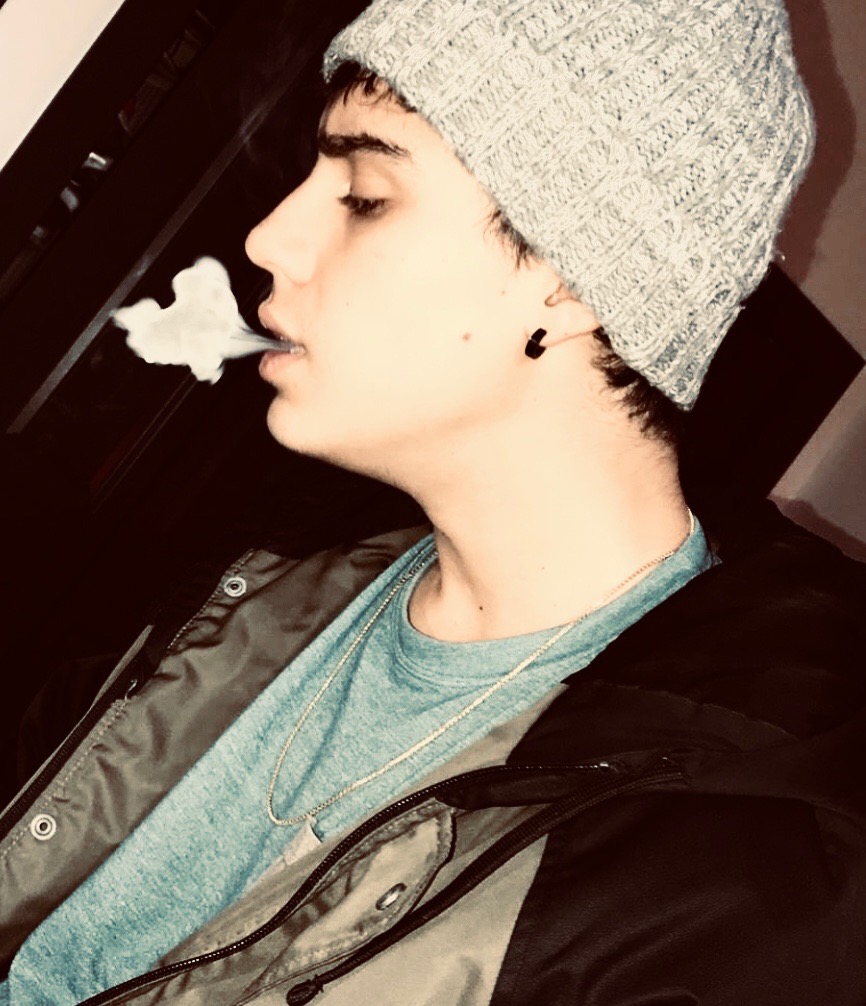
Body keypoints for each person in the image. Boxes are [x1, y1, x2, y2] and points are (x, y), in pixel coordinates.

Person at [1, 0, 865, 1003]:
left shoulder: (728, 891)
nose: (269, 237)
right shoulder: (266, 584)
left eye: (365, 194)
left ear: (570, 281)